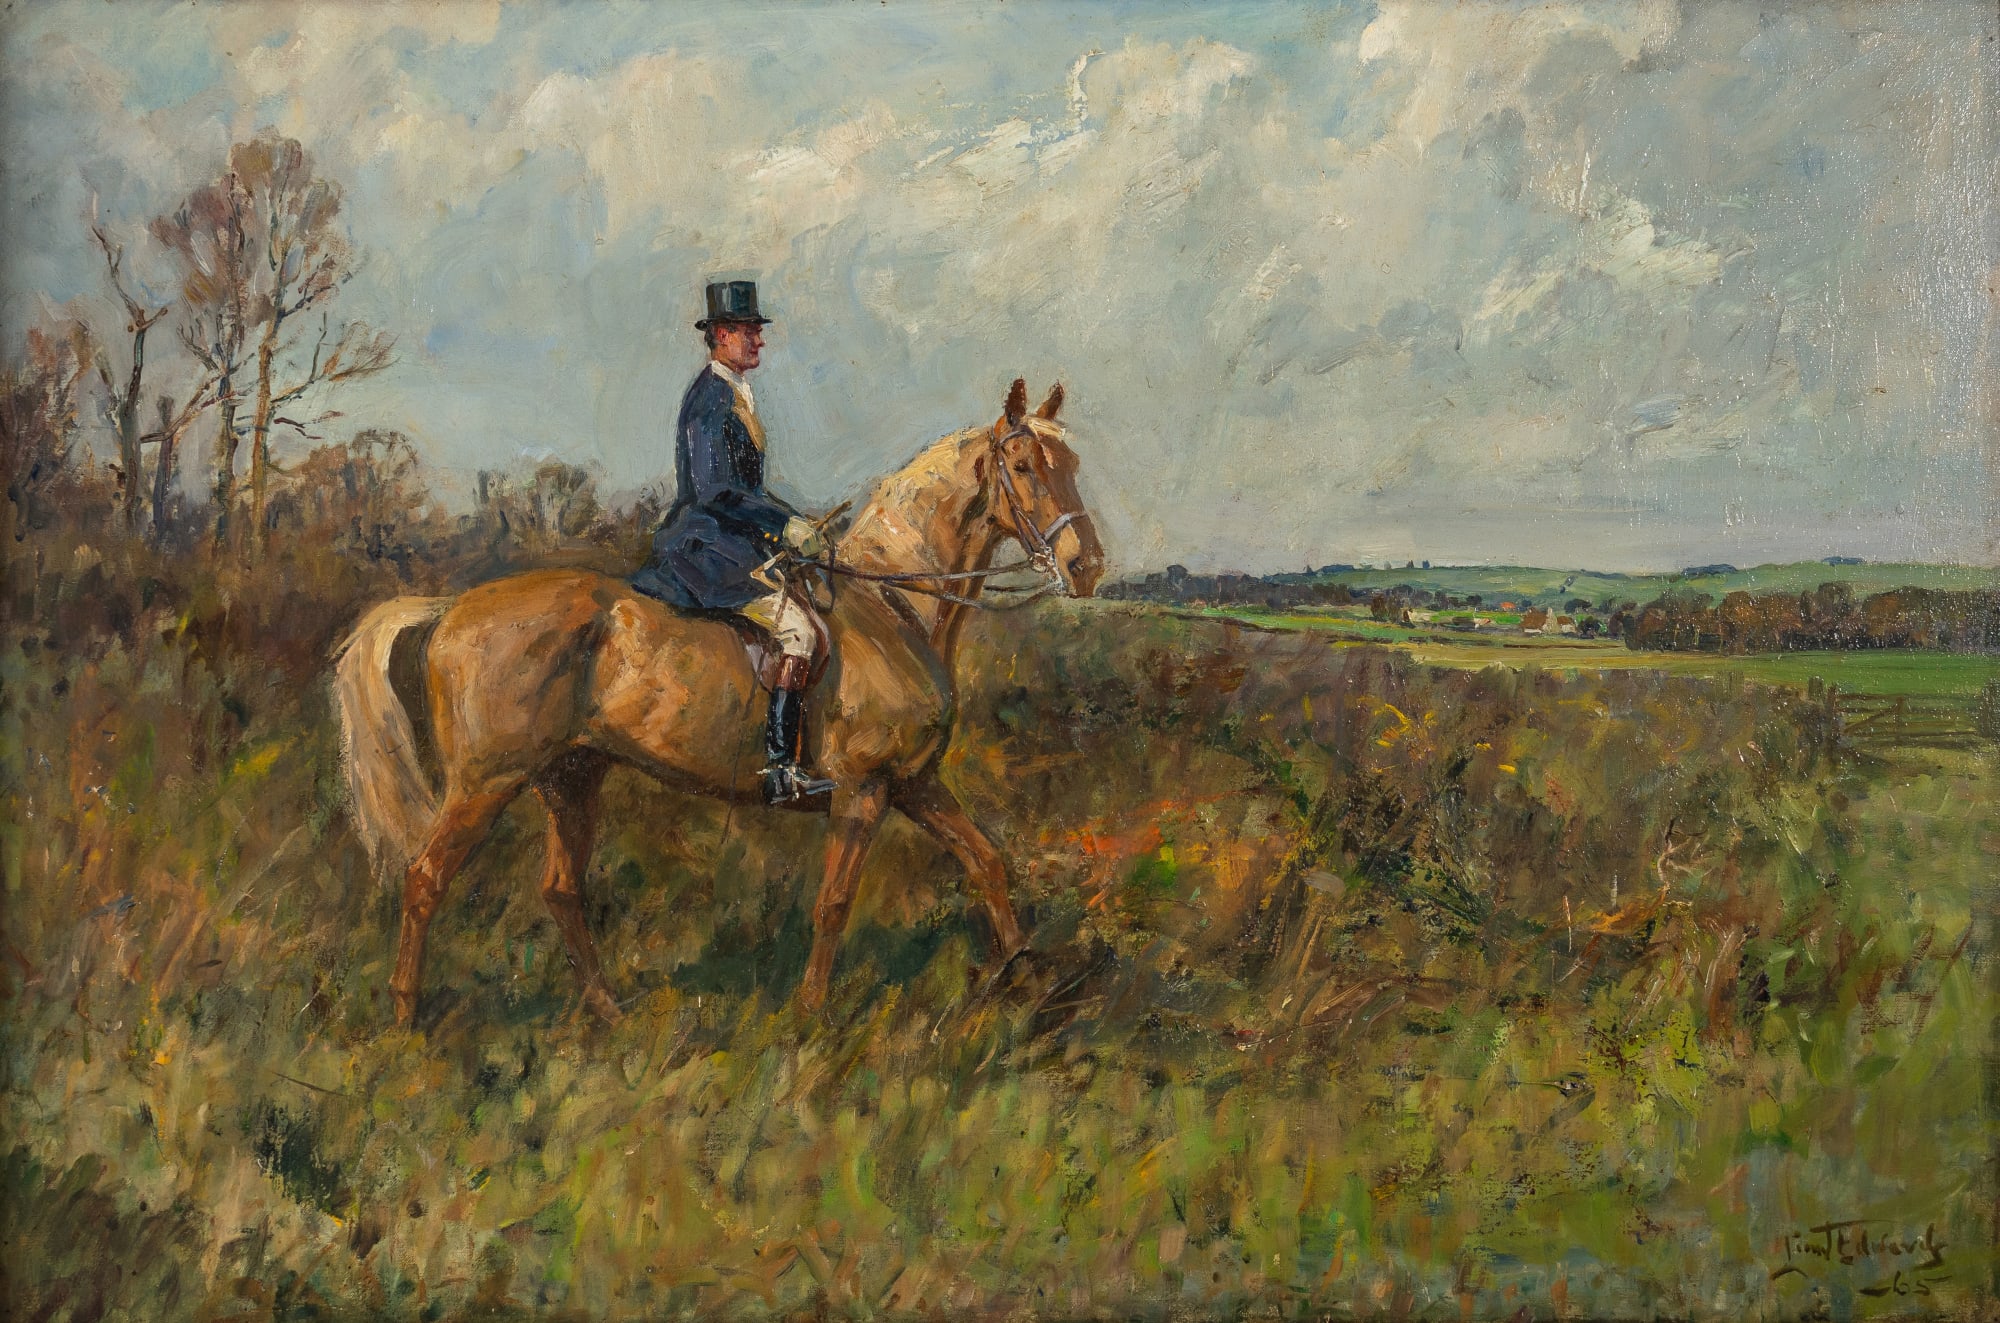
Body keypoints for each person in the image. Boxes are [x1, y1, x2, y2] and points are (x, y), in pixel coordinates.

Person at [632, 280, 836, 804]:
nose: (759, 342)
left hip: (731, 542)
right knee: (800, 635)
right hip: (705, 549)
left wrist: (791, 522)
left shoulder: (734, 393)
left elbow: (744, 489)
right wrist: (782, 525)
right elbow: (715, 488)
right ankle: (780, 770)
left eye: (757, 333)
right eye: (749, 333)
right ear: (722, 335)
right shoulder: (709, 398)